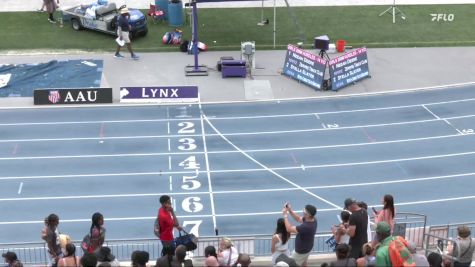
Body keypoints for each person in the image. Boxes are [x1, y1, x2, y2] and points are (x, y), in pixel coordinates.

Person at [283, 203, 318, 267]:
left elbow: (289, 229)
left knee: (291, 265)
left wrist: (285, 215)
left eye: (305, 211)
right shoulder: (313, 220)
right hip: (307, 248)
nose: (303, 211)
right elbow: (298, 219)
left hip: (300, 252)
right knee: (303, 263)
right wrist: (290, 210)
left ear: (309, 214)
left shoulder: (305, 227)